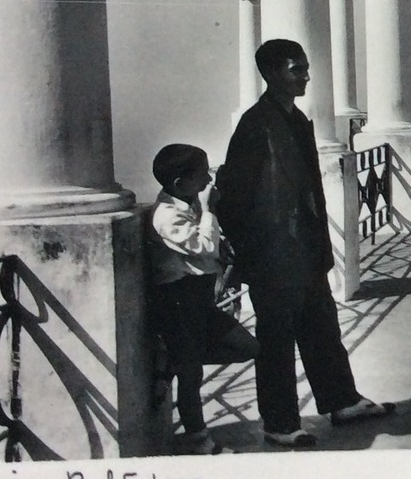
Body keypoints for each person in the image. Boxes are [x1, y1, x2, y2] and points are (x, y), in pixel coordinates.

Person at [215, 38, 395, 448]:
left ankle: (342, 402)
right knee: (276, 339)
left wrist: (315, 243)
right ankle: (279, 422)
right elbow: (233, 196)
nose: (306, 76)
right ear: (272, 73)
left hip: (304, 250)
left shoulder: (296, 120)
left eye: (305, 67)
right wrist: (254, 251)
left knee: (322, 327)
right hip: (271, 254)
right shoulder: (254, 124)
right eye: (297, 69)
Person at [146, 143, 259, 455]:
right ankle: (199, 439)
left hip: (199, 303)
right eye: (202, 175)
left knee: (247, 347)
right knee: (191, 375)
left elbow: (211, 250)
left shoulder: (187, 204)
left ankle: (174, 358)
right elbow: (203, 248)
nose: (209, 181)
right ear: (180, 184)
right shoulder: (167, 216)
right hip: (179, 303)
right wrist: (209, 211)